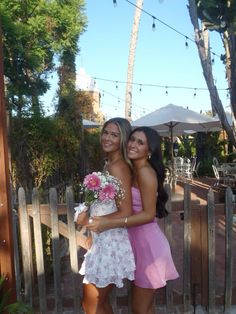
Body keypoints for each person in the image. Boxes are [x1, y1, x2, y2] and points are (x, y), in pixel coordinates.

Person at [87, 126, 179, 314]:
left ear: (149, 150)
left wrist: (107, 223)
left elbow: (148, 215)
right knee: (144, 308)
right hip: (136, 244)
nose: (133, 144)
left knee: (140, 309)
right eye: (132, 139)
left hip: (149, 247)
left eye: (140, 142)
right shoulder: (134, 170)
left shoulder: (145, 171)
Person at [75, 117, 135, 314]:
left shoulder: (119, 167)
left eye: (114, 135)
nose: (107, 138)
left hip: (111, 244)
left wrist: (91, 222)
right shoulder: (110, 164)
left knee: (91, 304)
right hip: (102, 242)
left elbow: (126, 211)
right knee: (98, 303)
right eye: (106, 132)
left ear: (123, 140)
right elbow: (107, 205)